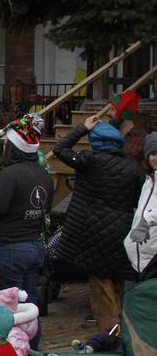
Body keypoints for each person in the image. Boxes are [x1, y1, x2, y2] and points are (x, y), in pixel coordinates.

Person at [54, 114, 142, 329]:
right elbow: (139, 201)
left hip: (91, 236)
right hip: (122, 234)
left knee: (101, 292)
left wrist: (82, 128)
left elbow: (59, 150)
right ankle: (124, 335)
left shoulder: (89, 162)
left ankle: (109, 339)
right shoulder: (133, 168)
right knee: (118, 287)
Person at [0, 114, 53, 345]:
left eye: (6, 145)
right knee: (30, 306)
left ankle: (11, 355)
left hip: (10, 246)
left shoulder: (10, 174)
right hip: (33, 245)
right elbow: (46, 208)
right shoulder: (42, 173)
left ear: (13, 147)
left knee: (8, 306)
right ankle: (31, 353)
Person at [125, 132, 157, 281]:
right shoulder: (149, 180)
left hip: (153, 258)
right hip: (140, 255)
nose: (156, 158)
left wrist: (147, 220)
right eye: (153, 153)